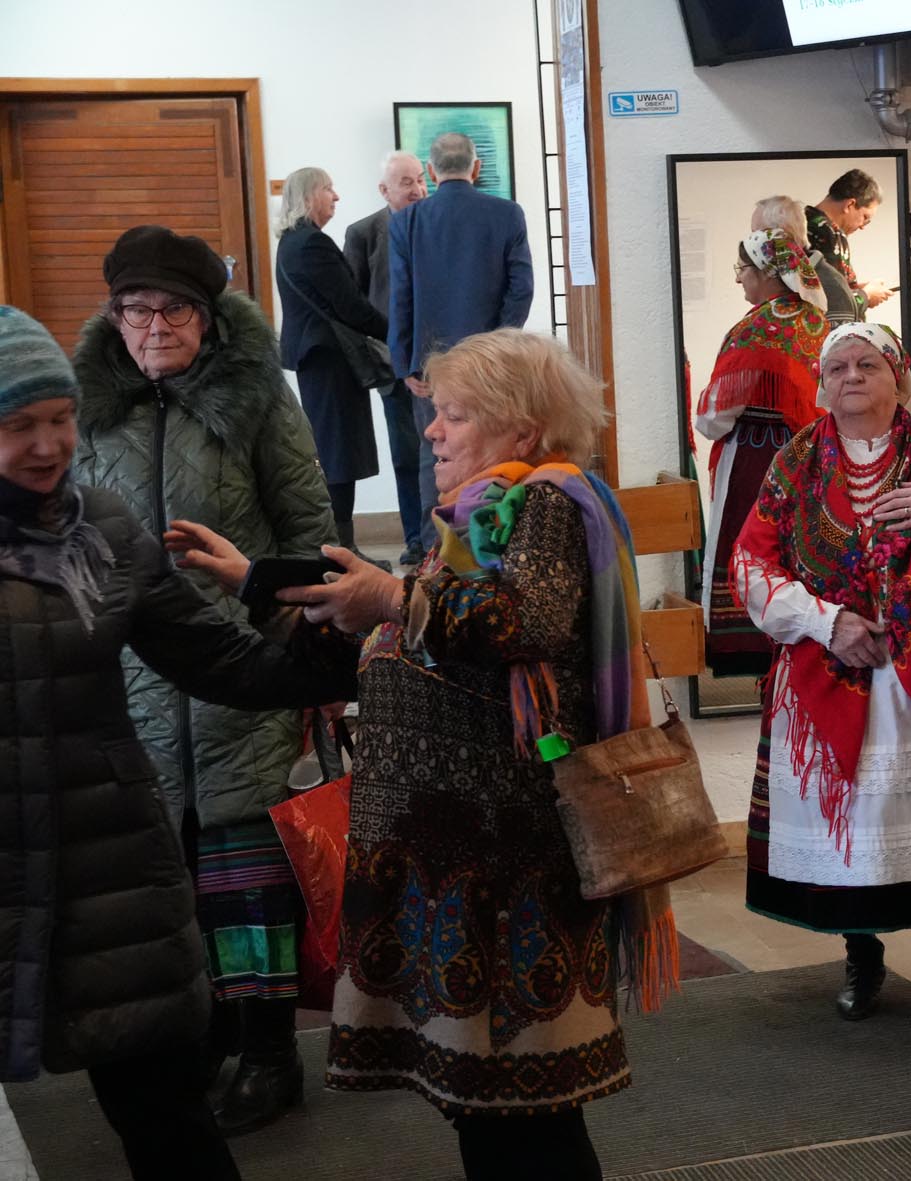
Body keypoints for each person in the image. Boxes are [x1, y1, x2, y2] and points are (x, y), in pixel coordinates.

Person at [172, 328, 660, 1181]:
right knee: (484, 1104)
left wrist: (394, 596)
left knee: (528, 1113)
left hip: (510, 872)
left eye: (454, 414)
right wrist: (258, 580)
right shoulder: (468, 521)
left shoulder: (546, 502)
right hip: (458, 864)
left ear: (522, 426)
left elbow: (527, 619)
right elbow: (400, 637)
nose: (430, 430)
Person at [0, 306, 352, 1179]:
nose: (47, 445)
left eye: (61, 418)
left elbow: (217, 659)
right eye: (18, 425)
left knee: (167, 1118)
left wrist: (320, 635)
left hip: (111, 869)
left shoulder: (103, 530)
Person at [70, 225, 337, 1135]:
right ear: (113, 316)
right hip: (135, 678)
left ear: (209, 315)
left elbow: (306, 523)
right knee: (167, 875)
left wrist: (306, 654)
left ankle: (269, 1054)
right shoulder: (86, 406)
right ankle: (202, 1041)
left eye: (174, 309)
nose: (154, 326)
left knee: (246, 874)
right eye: (135, 309)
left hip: (244, 662)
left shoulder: (256, 395)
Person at [732, 322, 911, 1032]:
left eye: (867, 364)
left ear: (898, 377)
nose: (852, 376)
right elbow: (750, 563)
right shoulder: (795, 462)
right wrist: (826, 622)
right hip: (829, 665)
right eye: (837, 367)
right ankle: (861, 958)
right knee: (855, 820)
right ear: (821, 384)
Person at [389, 131, 535, 549]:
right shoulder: (507, 214)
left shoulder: (406, 222)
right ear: (476, 167)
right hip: (492, 365)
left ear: (431, 172)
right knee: (496, 448)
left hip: (430, 367)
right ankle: (491, 542)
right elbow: (521, 289)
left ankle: (433, 548)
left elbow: (401, 297)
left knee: (434, 454)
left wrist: (405, 362)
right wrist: (499, 347)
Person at [694, 227, 827, 677]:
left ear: (768, 272)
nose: (739, 279)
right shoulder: (816, 323)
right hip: (810, 458)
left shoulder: (755, 329)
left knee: (749, 544)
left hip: (755, 460)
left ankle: (744, 640)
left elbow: (713, 417)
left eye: (743, 269)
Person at [274, 165, 388, 551]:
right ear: (309, 197)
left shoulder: (293, 242)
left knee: (335, 452)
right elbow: (350, 307)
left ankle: (340, 547)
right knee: (338, 456)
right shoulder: (312, 243)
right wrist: (397, 335)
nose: (336, 196)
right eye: (328, 188)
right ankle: (341, 552)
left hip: (318, 359)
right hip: (329, 359)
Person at [343, 150, 429, 565]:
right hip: (393, 366)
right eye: (407, 182)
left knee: (447, 453)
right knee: (407, 455)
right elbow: (352, 304)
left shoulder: (436, 223)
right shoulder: (363, 234)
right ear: (384, 190)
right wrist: (377, 360)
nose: (418, 190)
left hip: (443, 364)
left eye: (421, 179)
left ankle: (447, 538)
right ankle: (416, 538)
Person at [805, 169, 892, 324]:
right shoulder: (829, 233)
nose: (862, 226)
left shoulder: (799, 222)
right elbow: (837, 306)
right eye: (865, 217)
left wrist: (852, 288)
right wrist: (866, 295)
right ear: (850, 204)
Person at [752, 193, 846, 326]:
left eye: (756, 235)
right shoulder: (781, 279)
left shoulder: (831, 285)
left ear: (781, 235)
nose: (751, 243)